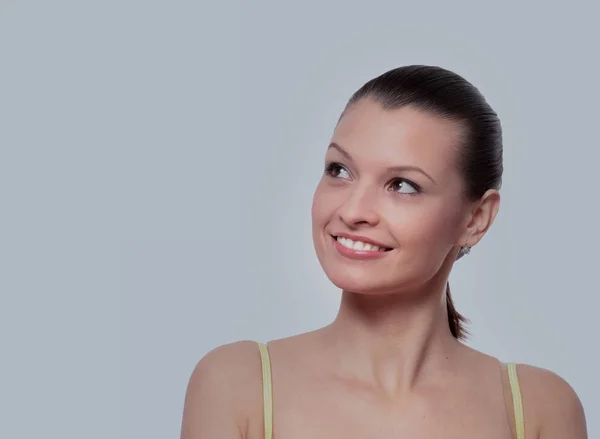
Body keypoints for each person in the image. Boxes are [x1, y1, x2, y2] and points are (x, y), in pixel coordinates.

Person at [180, 65, 587, 439]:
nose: (352, 211)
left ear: (476, 219)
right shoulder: (238, 385)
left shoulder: (538, 410)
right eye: (339, 170)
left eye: (403, 186)